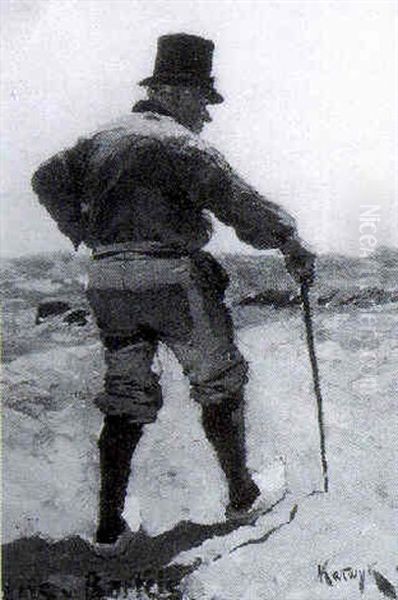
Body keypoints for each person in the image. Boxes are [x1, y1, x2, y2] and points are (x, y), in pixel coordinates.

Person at [32, 33, 315, 547]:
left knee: (126, 395)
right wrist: (291, 242)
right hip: (173, 280)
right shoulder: (184, 145)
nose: (206, 114)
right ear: (175, 92)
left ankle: (109, 528)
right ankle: (242, 497)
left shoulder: (98, 138)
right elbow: (239, 203)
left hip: (108, 279)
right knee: (220, 383)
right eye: (203, 101)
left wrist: (82, 228)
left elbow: (45, 178)